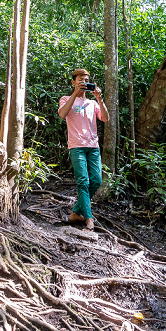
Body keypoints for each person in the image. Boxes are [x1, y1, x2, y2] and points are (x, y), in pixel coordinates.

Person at [58, 68, 109, 231]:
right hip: (77, 146)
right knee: (83, 182)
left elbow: (106, 118)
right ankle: (88, 218)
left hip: (93, 146)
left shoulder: (92, 103)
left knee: (96, 181)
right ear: (73, 82)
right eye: (80, 80)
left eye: (86, 80)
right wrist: (75, 93)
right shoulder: (66, 99)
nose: (84, 82)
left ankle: (75, 213)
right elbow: (62, 114)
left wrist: (99, 98)